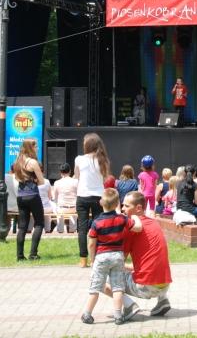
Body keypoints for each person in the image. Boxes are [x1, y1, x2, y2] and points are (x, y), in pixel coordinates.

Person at [100, 192, 173, 319]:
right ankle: (163, 300)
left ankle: (129, 306)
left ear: (138, 208)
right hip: (165, 283)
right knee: (152, 265)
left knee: (100, 280)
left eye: (126, 206)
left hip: (147, 286)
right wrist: (131, 268)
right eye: (122, 205)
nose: (123, 209)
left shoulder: (131, 228)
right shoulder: (154, 222)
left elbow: (118, 261)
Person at [81, 188, 143, 325]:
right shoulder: (121, 219)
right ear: (117, 204)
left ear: (101, 203)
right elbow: (138, 228)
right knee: (117, 287)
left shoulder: (96, 222)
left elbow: (91, 243)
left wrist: (92, 259)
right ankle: (118, 315)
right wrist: (136, 217)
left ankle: (87, 314)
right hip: (117, 256)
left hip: (101, 257)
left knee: (95, 287)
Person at [75, 133, 110, 268]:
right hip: (98, 196)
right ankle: (95, 258)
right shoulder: (103, 160)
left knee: (82, 229)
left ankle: (83, 259)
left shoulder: (79, 159)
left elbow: (77, 176)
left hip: (82, 195)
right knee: (98, 227)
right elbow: (105, 178)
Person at [13, 138, 45, 261]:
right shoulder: (33, 162)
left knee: (22, 226)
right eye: (36, 146)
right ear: (31, 148)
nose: (37, 148)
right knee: (39, 223)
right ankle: (33, 254)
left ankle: (20, 255)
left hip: (21, 196)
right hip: (32, 195)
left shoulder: (18, 161)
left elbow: (17, 178)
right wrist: (35, 181)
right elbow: (42, 181)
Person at [53, 163, 79, 233]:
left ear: (61, 172)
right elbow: (78, 195)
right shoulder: (76, 182)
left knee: (56, 207)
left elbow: (55, 198)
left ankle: (60, 229)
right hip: (73, 208)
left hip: (61, 208)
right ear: (70, 171)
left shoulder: (57, 183)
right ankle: (72, 229)